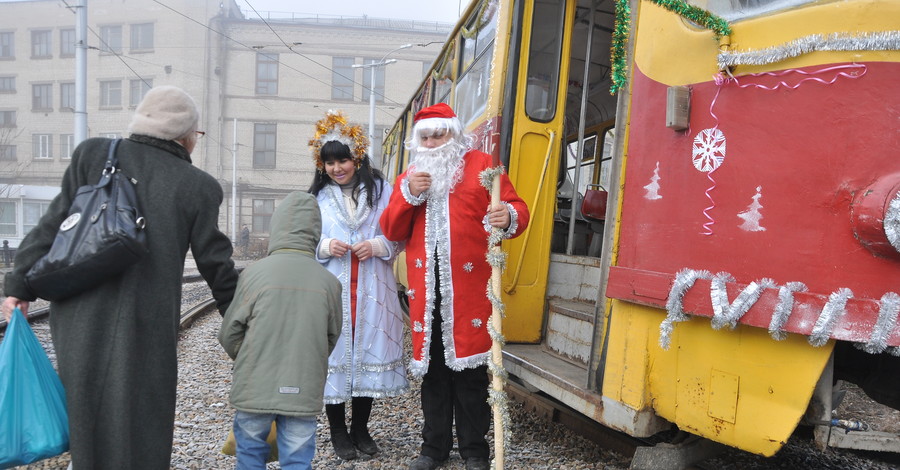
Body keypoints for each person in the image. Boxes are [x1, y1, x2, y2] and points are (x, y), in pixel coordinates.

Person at [1, 85, 239, 470]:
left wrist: (18, 288)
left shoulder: (93, 154)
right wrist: (243, 322)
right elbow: (217, 266)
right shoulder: (198, 186)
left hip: (79, 313)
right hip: (147, 320)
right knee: (144, 414)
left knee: (84, 409)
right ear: (186, 135)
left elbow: (55, 223)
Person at [379, 103, 530, 470]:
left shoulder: (482, 167)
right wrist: (407, 195)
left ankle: (474, 450)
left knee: (470, 375)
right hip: (425, 293)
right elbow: (391, 231)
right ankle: (433, 448)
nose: (432, 142)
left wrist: (507, 215)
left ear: (454, 133)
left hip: (468, 292)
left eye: (439, 134)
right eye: (426, 137)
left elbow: (517, 209)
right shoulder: (410, 176)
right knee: (432, 375)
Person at [307, 110, 408, 460]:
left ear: (358, 157)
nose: (337, 168)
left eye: (343, 160)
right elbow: (303, 239)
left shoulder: (384, 191)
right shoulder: (316, 199)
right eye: (330, 162)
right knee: (335, 352)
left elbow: (400, 232)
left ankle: (361, 428)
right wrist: (323, 246)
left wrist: (379, 245)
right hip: (332, 288)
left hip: (373, 288)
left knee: (366, 352)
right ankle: (337, 430)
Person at [219, 191, 343, 470]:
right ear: (314, 232)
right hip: (303, 386)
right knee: (297, 459)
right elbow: (331, 338)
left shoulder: (253, 273)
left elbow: (229, 333)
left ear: (277, 227)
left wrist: (250, 356)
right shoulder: (329, 282)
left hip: (255, 386)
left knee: (249, 453)